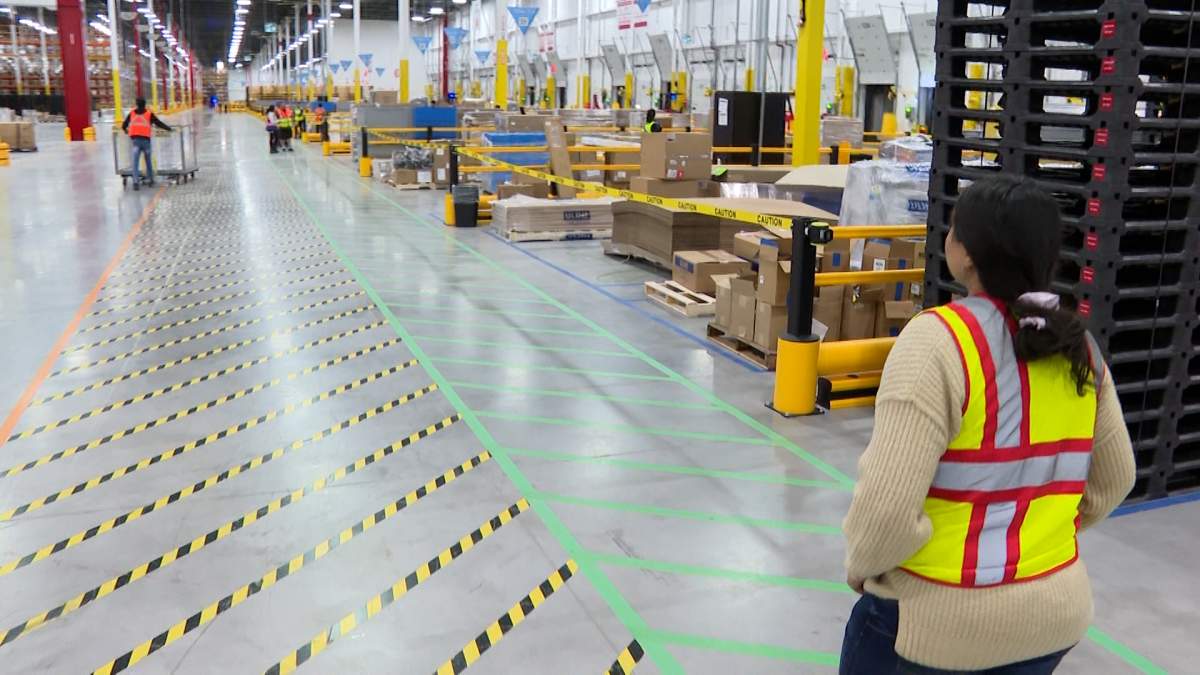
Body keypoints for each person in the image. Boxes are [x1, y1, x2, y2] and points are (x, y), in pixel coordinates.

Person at [840, 176, 1135, 674]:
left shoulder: (938, 342)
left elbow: (885, 512)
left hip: (935, 624)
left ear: (967, 256)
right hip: (1053, 615)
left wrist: (863, 567)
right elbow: (1116, 479)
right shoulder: (1077, 347)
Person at [121, 97, 173, 190]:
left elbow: (124, 125)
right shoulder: (149, 114)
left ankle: (135, 182)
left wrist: (126, 130)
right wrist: (169, 128)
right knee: (148, 161)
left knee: (135, 162)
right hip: (145, 141)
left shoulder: (132, 113)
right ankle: (151, 180)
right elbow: (158, 123)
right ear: (145, 104)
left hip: (135, 141)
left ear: (137, 104)